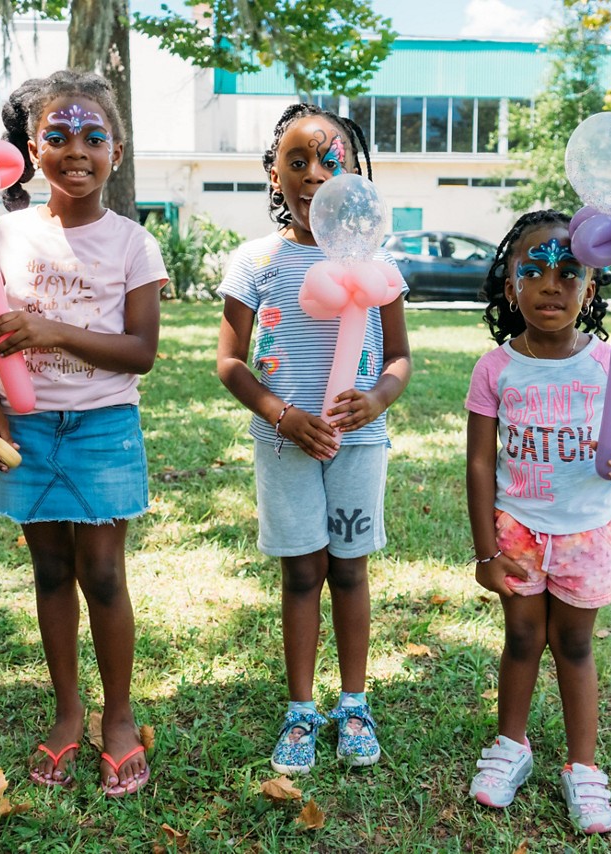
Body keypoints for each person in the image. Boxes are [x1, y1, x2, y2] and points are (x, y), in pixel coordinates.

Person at [0, 70, 168, 798]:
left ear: (115, 151)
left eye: (93, 137)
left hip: (102, 427)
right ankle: (67, 712)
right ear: (33, 148)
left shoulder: (132, 245)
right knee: (50, 571)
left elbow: (142, 352)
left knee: (104, 574)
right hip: (26, 426)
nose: (76, 150)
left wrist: (51, 328)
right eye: (57, 136)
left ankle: (117, 718)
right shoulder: (8, 232)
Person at [216, 103, 412, 774]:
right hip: (284, 445)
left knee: (349, 571)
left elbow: (399, 359)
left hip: (359, 444)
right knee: (302, 573)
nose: (314, 173)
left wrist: (378, 397)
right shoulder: (256, 262)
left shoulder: (379, 266)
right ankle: (301, 713)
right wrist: (281, 414)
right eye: (297, 161)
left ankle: (353, 703)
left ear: (357, 176)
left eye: (331, 160)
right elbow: (229, 363)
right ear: (273, 175)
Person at [464, 210, 611, 834]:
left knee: (573, 644)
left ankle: (583, 768)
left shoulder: (608, 361)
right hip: (518, 528)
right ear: (510, 284)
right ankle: (510, 748)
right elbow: (481, 461)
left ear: (591, 288)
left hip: (587, 529)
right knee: (521, 639)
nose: (551, 285)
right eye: (534, 271)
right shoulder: (495, 369)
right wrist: (486, 553)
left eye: (570, 273)